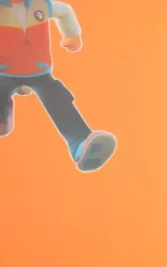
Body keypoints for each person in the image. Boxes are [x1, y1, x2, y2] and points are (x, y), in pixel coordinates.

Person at [0, 0, 117, 172]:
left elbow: (65, 11)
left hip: (38, 70)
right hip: (5, 71)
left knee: (57, 97)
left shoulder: (42, 5)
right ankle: (3, 117)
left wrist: (71, 35)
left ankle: (80, 144)